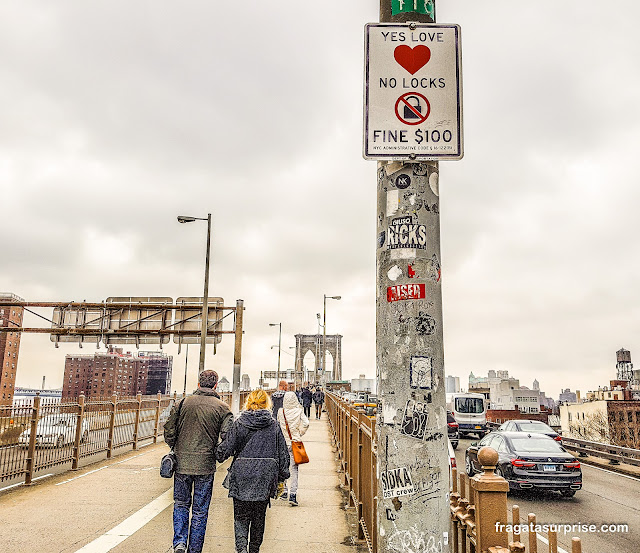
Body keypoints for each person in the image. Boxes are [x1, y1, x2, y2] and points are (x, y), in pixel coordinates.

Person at [164, 370, 233, 553]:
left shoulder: (183, 403)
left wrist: (175, 446)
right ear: (216, 385)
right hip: (205, 465)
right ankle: (195, 549)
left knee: (180, 504)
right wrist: (218, 454)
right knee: (200, 511)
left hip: (182, 463)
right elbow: (228, 437)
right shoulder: (222, 408)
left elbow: (169, 429)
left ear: (198, 383)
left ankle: (179, 543)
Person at [217, 389, 290, 553]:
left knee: (241, 517)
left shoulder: (240, 423)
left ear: (248, 403)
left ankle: (241, 549)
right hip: (264, 478)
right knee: (259, 518)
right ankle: (254, 550)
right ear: (267, 404)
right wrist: (282, 478)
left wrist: (215, 451)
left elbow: (226, 449)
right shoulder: (273, 426)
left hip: (241, 476)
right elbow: (283, 455)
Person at [276, 391, 309, 506]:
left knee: (283, 467)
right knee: (294, 469)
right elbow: (306, 423)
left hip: (283, 443)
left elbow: (278, 425)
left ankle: (284, 491)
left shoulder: (281, 412)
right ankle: (293, 495)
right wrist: (300, 433)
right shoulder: (299, 411)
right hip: (295, 443)